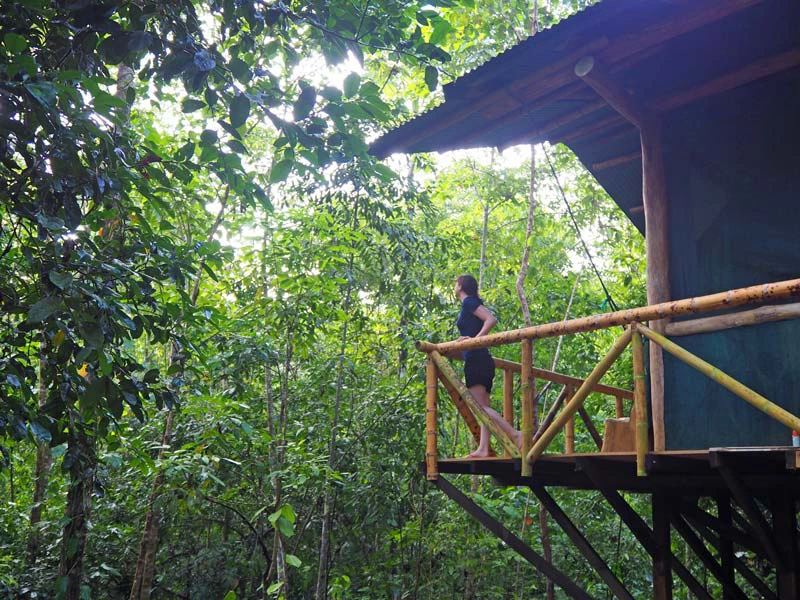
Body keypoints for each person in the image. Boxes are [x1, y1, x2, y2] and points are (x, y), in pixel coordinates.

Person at [453, 275, 522, 458]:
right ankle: (483, 448)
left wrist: (474, 341)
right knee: (483, 407)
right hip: (482, 358)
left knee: (479, 407)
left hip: (477, 359)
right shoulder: (469, 303)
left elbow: (490, 319)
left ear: (460, 286)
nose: (454, 287)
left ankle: (515, 435)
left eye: (455, 284)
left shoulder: (468, 302)